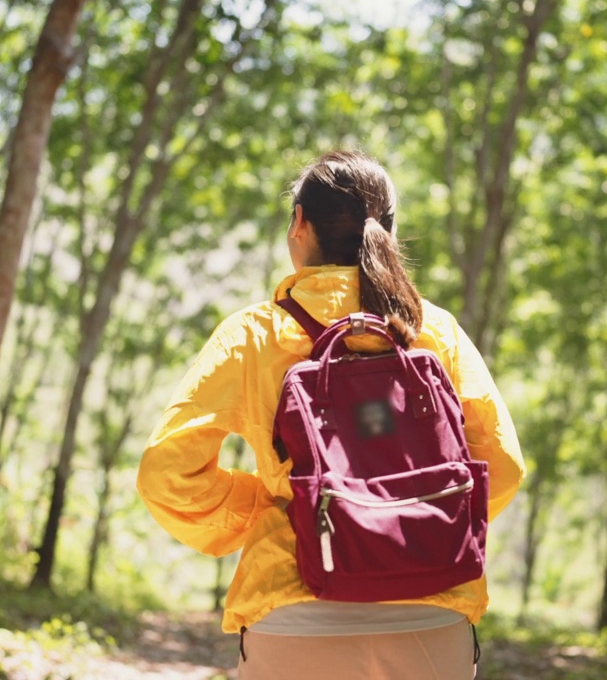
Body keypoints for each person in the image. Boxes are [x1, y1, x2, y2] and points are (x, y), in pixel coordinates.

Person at [136, 150, 524, 680]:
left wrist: (274, 509)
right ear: (387, 229)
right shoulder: (435, 331)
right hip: (432, 617)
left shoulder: (253, 334)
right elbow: (501, 466)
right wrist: (415, 526)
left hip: (296, 614)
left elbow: (167, 475)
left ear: (299, 222)